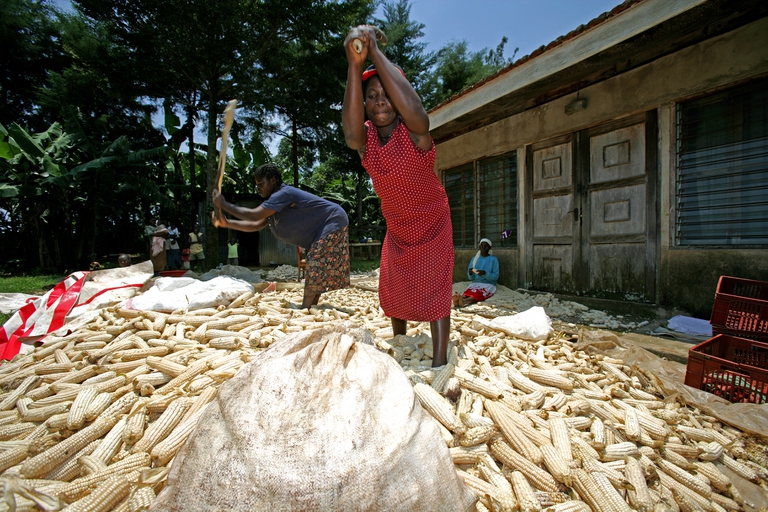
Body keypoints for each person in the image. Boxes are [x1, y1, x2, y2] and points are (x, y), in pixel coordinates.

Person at [342, 25, 453, 367]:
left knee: (435, 288)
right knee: (395, 286)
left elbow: (417, 110)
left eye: (386, 93)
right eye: (371, 95)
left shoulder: (416, 135)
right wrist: (354, 65)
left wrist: (374, 51)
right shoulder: (367, 145)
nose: (379, 101)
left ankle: (439, 360)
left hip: (432, 223)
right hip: (398, 229)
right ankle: (401, 342)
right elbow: (349, 132)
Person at [211, 163, 350, 309]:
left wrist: (224, 204)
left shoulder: (284, 194)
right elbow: (257, 224)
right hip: (328, 223)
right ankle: (311, 307)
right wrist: (227, 223)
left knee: (315, 261)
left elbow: (254, 215)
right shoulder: (275, 202)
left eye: (261, 183)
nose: (258, 188)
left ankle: (306, 308)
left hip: (333, 219)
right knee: (317, 263)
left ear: (273, 180)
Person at [454, 238, 499, 307]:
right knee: (468, 293)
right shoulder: (474, 259)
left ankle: (465, 302)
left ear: (489, 248)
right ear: (479, 247)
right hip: (475, 283)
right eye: (482, 245)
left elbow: (495, 277)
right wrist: (470, 273)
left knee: (477, 294)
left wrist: (485, 274)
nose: (483, 247)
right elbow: (470, 278)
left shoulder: (493, 259)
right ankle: (459, 299)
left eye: (486, 246)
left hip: (488, 284)